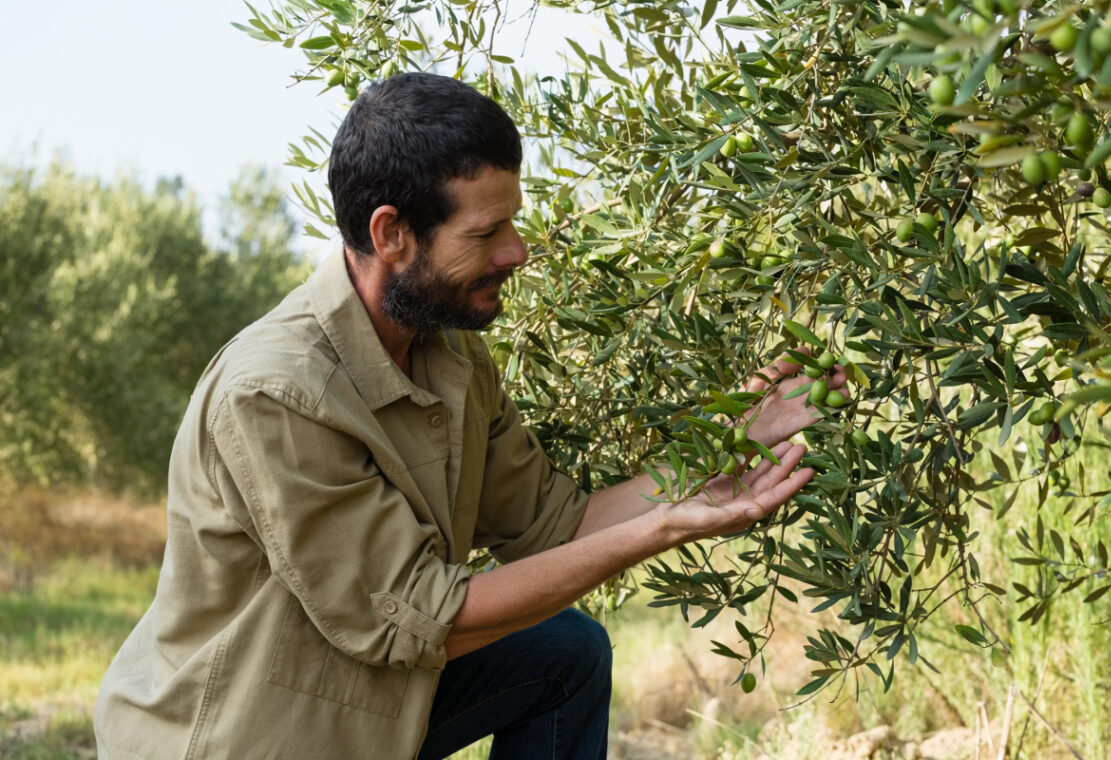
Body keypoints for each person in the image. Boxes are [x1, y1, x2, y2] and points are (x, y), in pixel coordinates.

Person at [94, 72, 847, 760]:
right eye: (484, 234)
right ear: (391, 234)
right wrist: (664, 527)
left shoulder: (449, 357)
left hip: (364, 704)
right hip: (242, 737)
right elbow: (424, 620)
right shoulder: (276, 392)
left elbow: (559, 527)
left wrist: (728, 445)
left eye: (511, 224)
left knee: (566, 653)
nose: (516, 252)